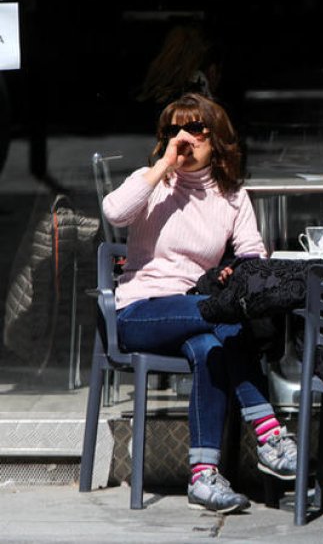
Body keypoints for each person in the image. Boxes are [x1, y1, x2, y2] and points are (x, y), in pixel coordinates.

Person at [102, 93, 298, 514]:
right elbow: (114, 212)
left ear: (217, 139)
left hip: (198, 314)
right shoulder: (153, 183)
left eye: (195, 129)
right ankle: (269, 434)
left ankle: (203, 477)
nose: (184, 139)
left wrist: (235, 272)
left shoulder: (231, 196)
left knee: (212, 349)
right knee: (220, 318)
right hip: (140, 309)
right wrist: (161, 166)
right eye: (174, 131)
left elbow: (252, 255)